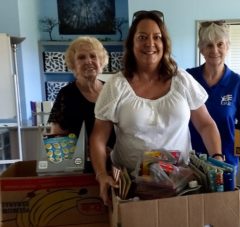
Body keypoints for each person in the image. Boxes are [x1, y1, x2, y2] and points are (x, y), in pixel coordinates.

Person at [89, 11, 222, 205]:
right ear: (132, 44)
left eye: (157, 37)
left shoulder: (182, 79)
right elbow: (98, 137)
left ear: (164, 43)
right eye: (142, 37)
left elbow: (205, 124)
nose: (150, 43)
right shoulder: (116, 86)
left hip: (181, 184)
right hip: (131, 188)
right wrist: (101, 175)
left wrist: (217, 160)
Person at [186, 20, 240, 167]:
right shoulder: (189, 78)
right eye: (209, 45)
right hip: (191, 161)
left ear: (227, 46)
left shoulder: (237, 83)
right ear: (201, 49)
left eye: (220, 44)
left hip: (226, 161)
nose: (214, 50)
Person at [48, 36, 115, 170]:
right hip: (81, 167)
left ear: (101, 61)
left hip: (116, 165)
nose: (88, 61)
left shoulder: (112, 90)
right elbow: (57, 139)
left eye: (93, 56)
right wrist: (89, 151)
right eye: (81, 57)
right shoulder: (66, 94)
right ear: (73, 64)